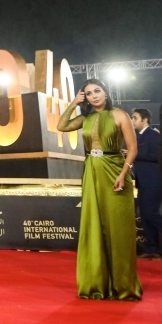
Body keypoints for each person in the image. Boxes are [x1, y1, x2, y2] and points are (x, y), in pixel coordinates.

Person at [57, 78, 141, 300]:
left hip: (114, 171)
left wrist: (124, 174)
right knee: (94, 226)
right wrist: (74, 103)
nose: (94, 96)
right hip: (91, 171)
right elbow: (61, 126)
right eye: (89, 93)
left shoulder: (120, 115)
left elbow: (132, 149)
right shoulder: (86, 117)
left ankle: (123, 285)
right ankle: (97, 284)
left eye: (97, 91)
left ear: (105, 92)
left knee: (118, 228)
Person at [131, 108, 161, 258]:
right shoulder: (139, 136)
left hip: (153, 182)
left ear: (145, 120)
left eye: (135, 118)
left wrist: (134, 154)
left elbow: (156, 155)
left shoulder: (153, 135)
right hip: (143, 183)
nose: (132, 121)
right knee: (144, 215)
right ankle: (152, 248)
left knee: (151, 214)